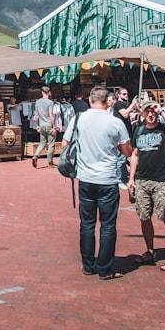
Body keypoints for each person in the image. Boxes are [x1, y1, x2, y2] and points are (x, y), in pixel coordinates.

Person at [61, 85, 131, 280]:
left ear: (90, 101)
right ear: (108, 101)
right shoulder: (115, 122)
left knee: (87, 223)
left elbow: (65, 143)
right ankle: (105, 268)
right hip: (108, 179)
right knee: (108, 225)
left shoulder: (79, 118)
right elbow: (126, 150)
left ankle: (88, 264)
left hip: (85, 178)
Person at [127, 101, 165, 271]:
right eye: (147, 112)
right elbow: (135, 155)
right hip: (142, 180)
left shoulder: (164, 129)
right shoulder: (139, 130)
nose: (150, 115)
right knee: (144, 217)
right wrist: (131, 179)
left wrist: (163, 111)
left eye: (153, 112)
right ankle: (150, 251)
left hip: (161, 180)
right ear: (142, 114)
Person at [31, 87, 57, 168]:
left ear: (42, 92)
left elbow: (37, 115)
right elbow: (51, 115)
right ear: (49, 92)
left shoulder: (37, 102)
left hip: (41, 125)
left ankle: (36, 155)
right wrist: (54, 126)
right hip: (49, 124)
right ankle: (50, 162)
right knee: (51, 143)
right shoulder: (50, 102)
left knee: (42, 142)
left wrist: (38, 125)